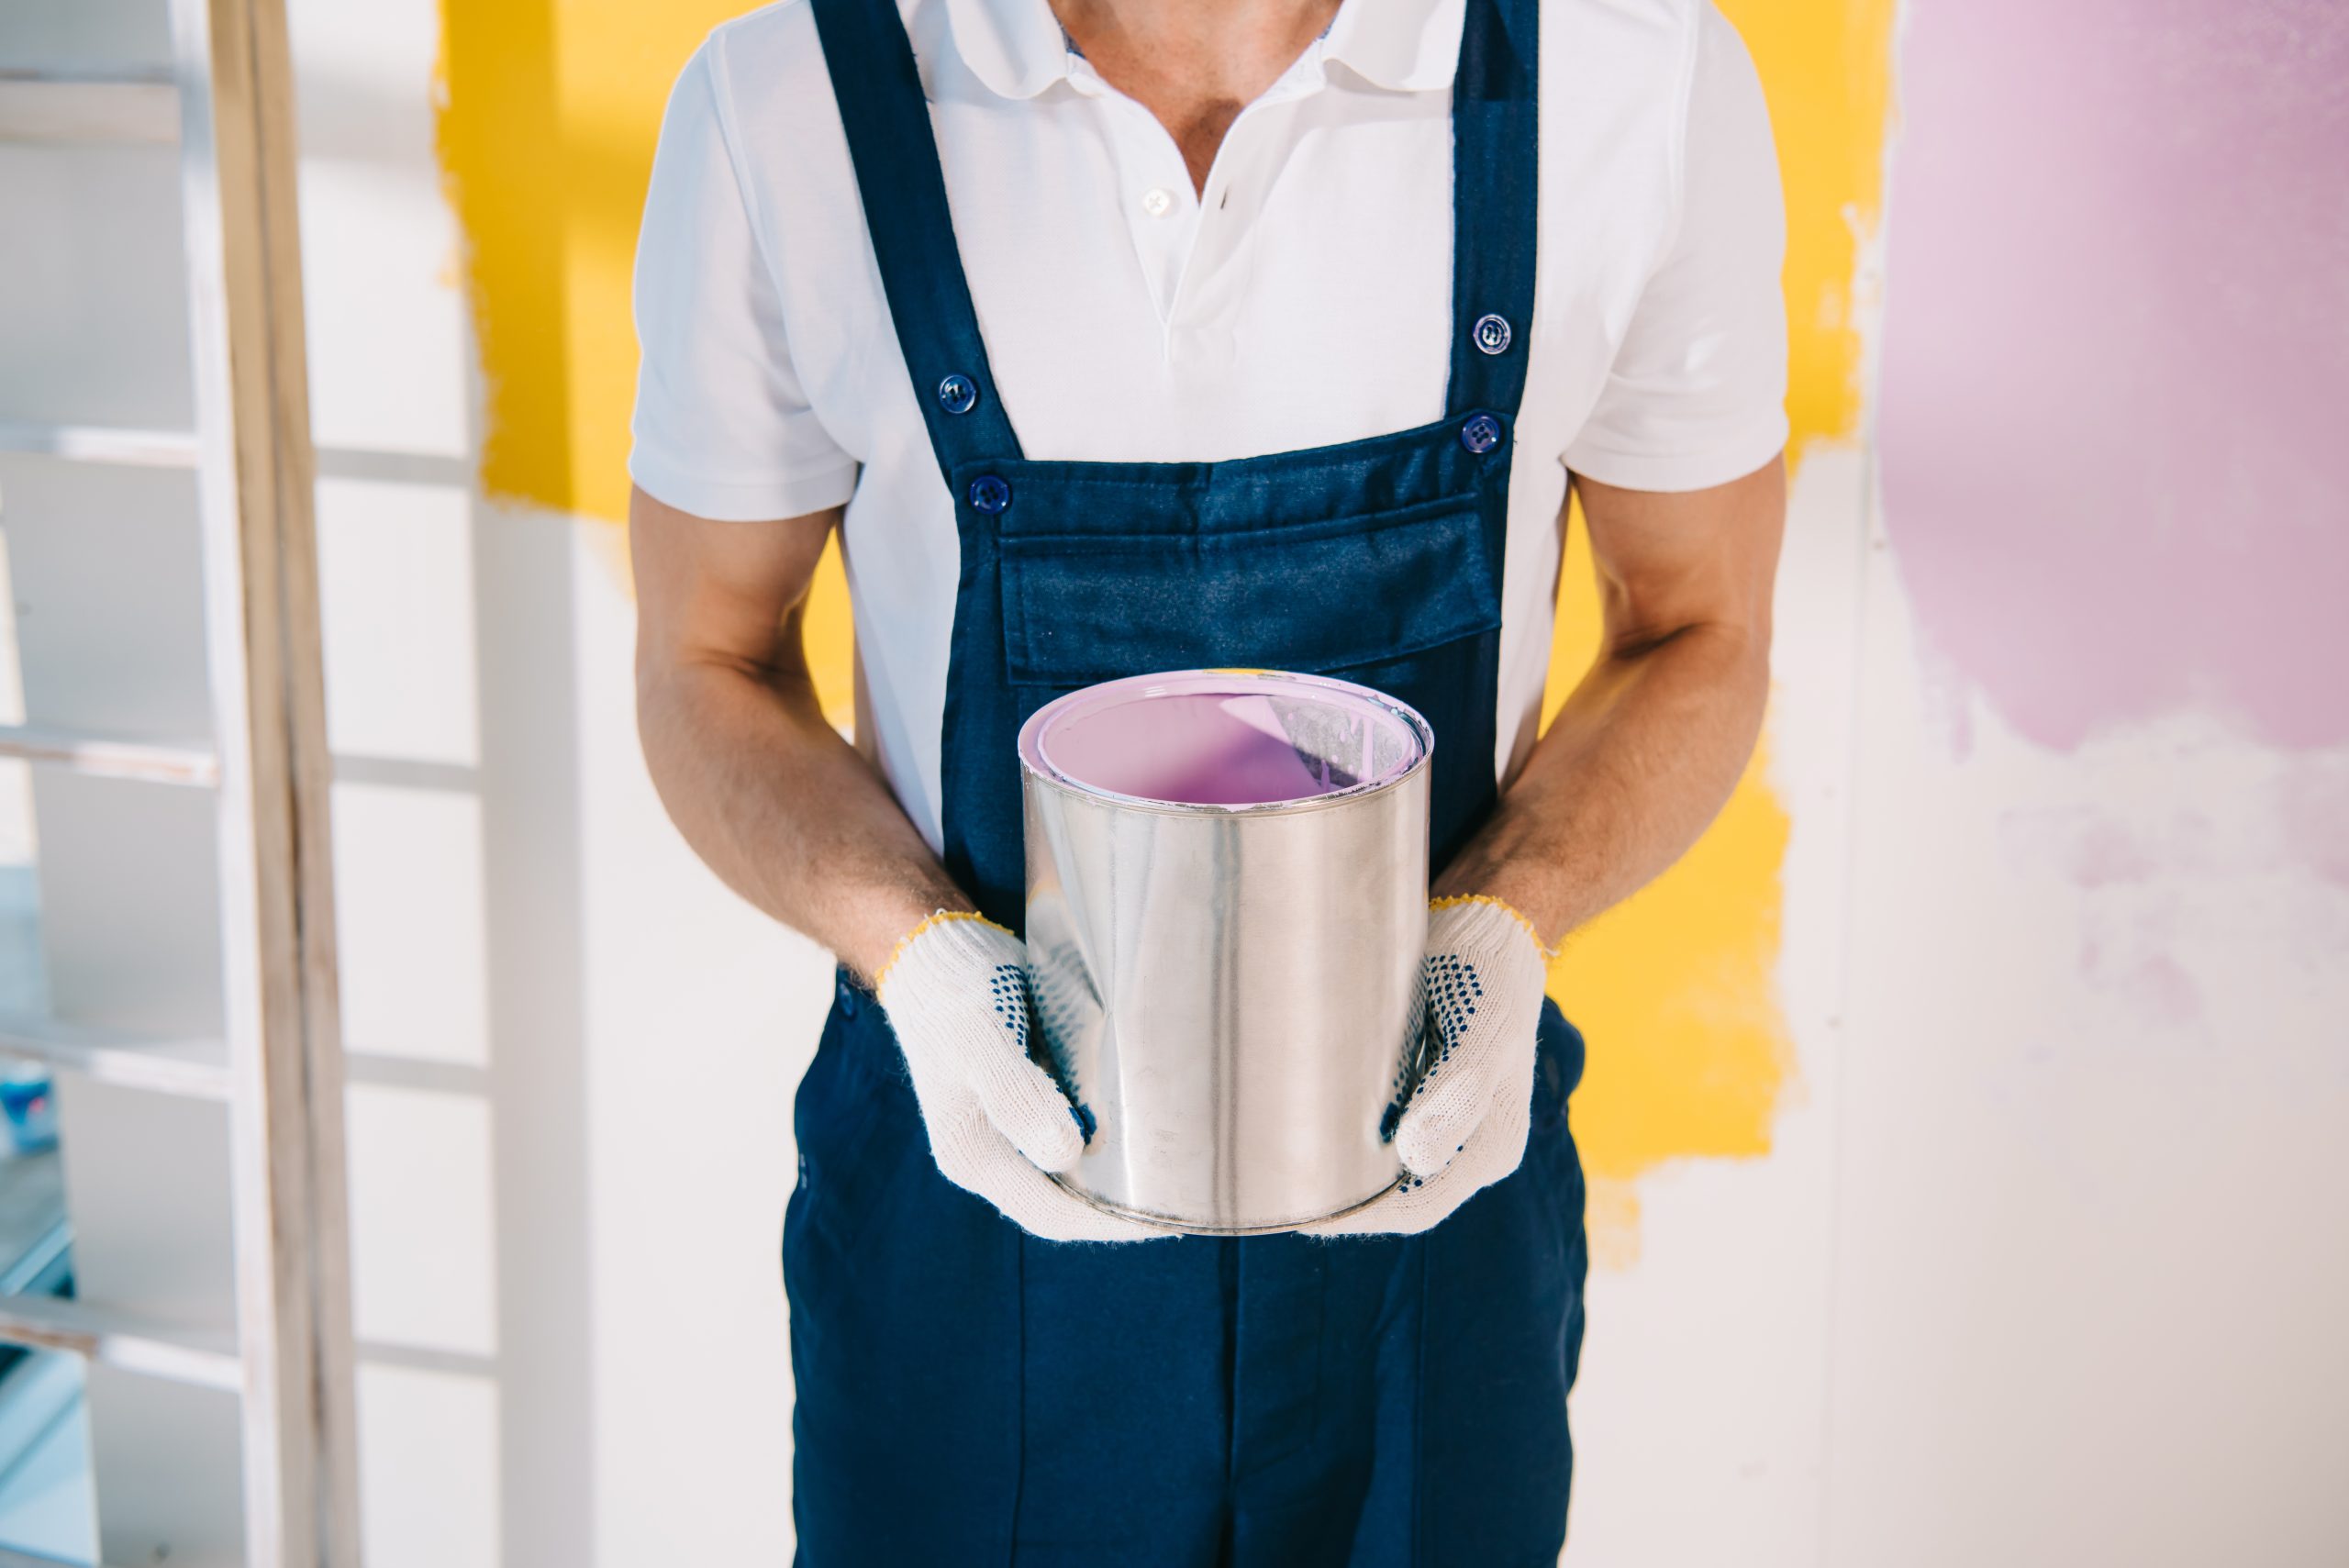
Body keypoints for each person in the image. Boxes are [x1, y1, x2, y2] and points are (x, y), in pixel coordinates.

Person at [626, 0, 1787, 1559]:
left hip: (1426, 1251)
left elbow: (1700, 625)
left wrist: (1514, 917)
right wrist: (912, 947)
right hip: (969, 1265)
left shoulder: (1630, 84)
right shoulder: (794, 108)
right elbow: (705, 659)